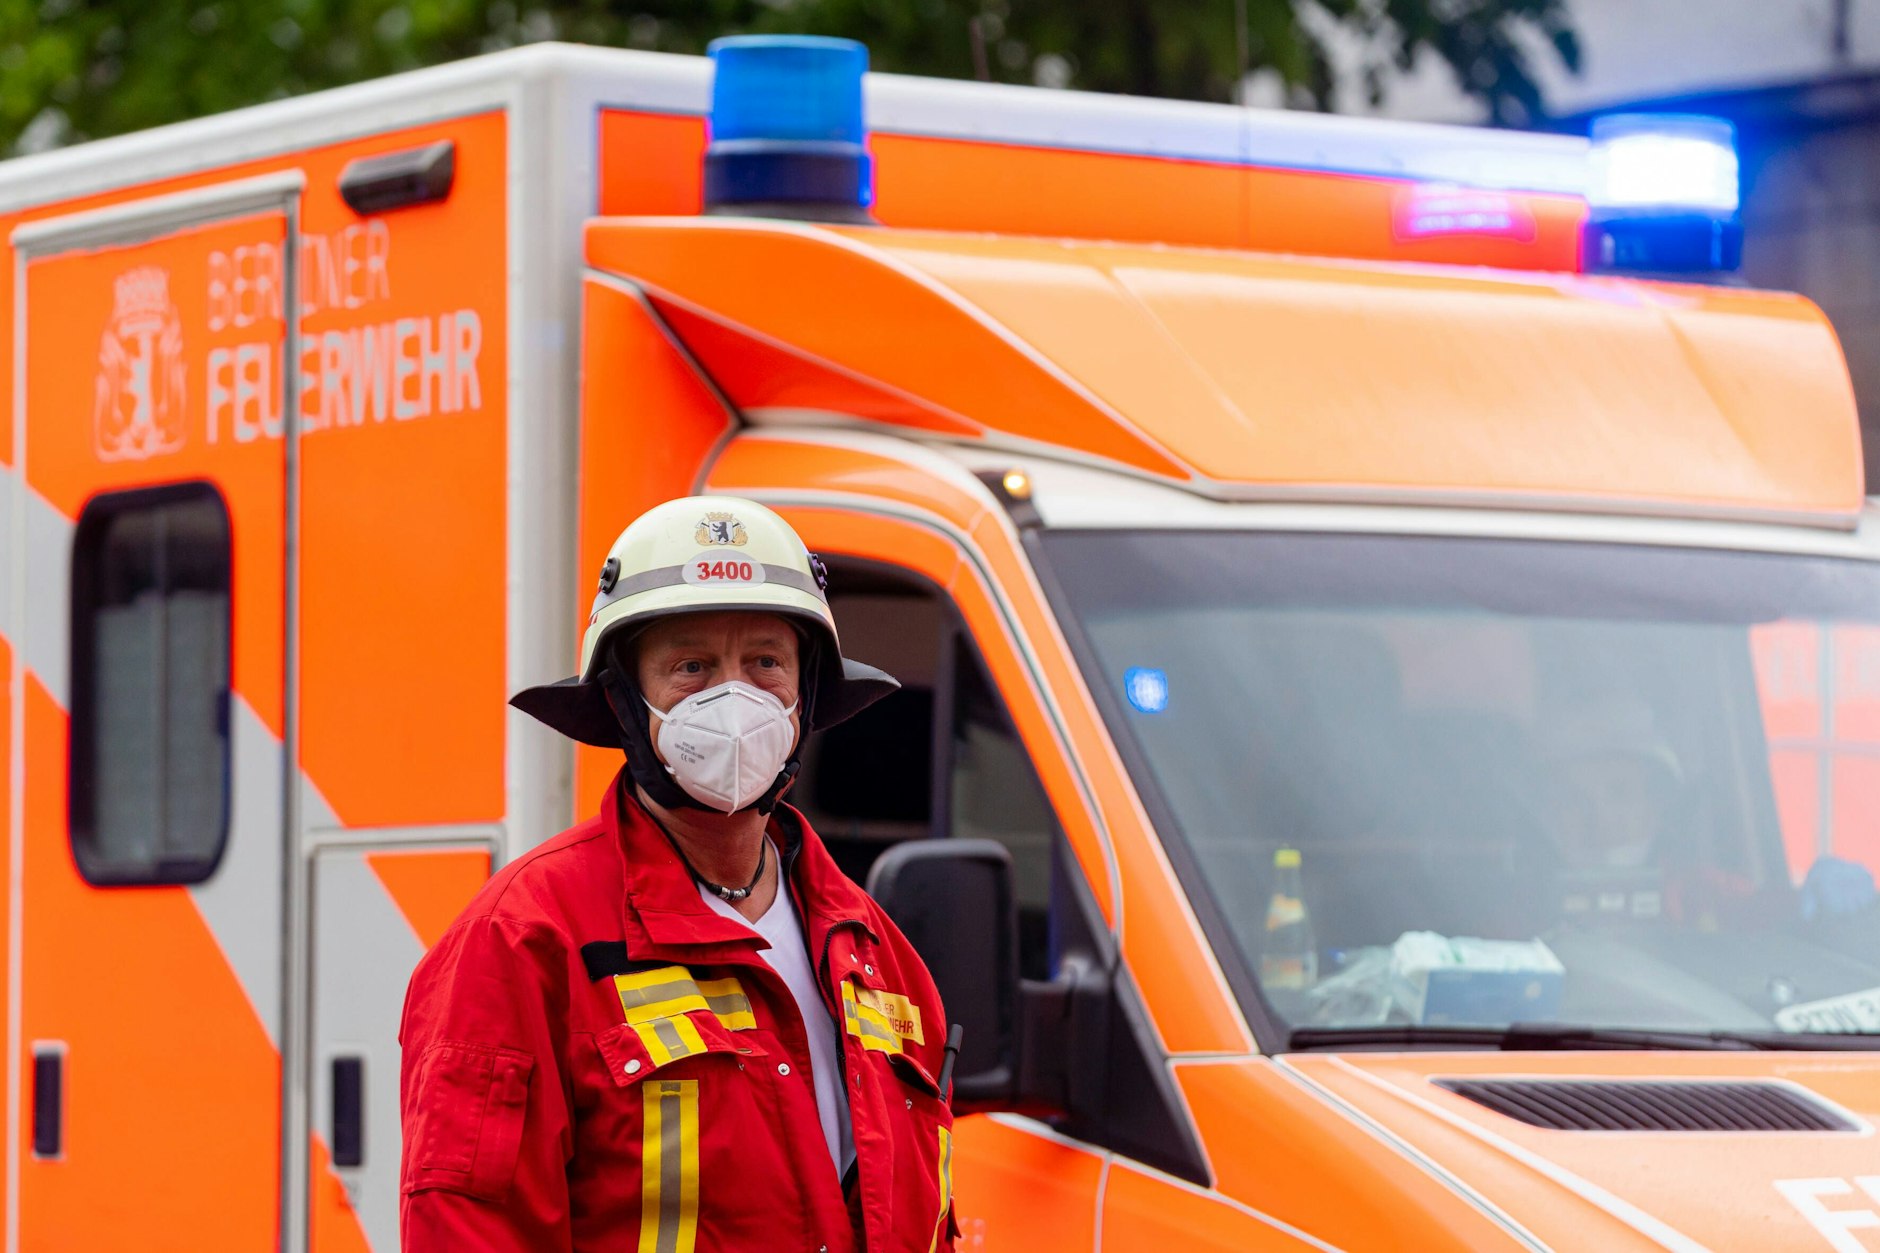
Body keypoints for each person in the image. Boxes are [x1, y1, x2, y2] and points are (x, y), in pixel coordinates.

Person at [398, 496, 958, 1252]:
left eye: (765, 661)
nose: (734, 699)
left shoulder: (875, 954)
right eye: (690, 666)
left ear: (806, 695)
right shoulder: (523, 942)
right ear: (623, 703)